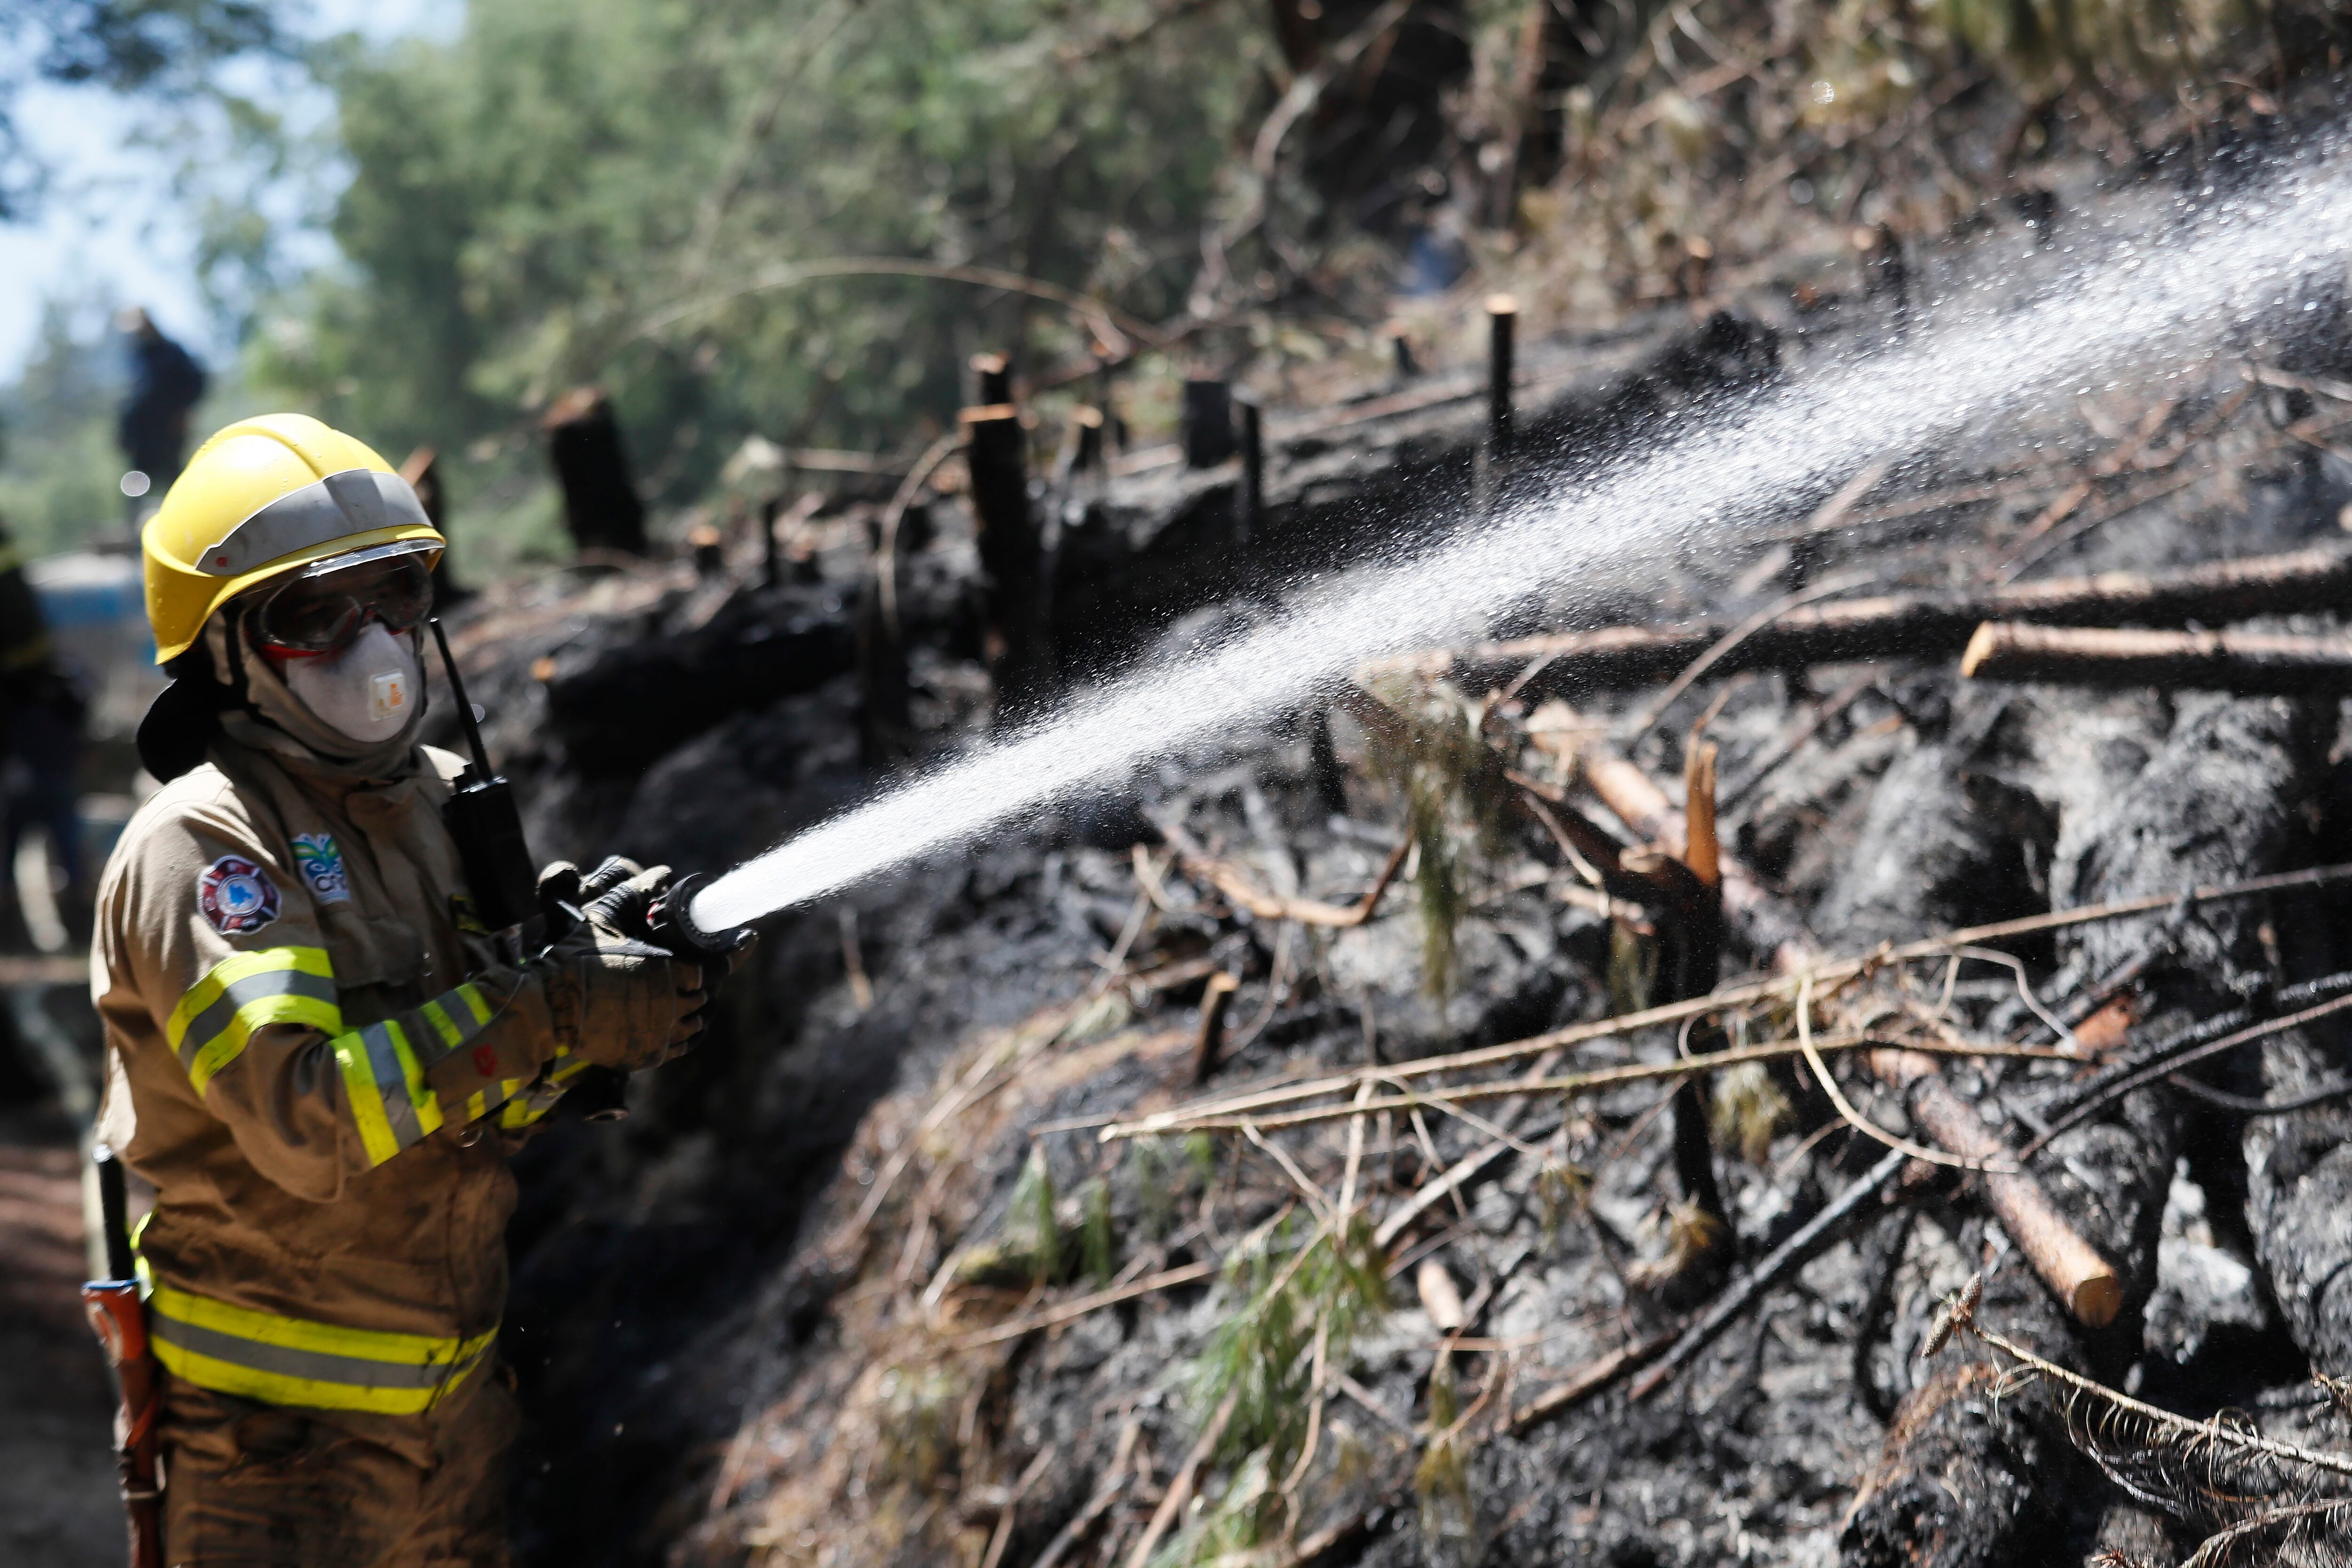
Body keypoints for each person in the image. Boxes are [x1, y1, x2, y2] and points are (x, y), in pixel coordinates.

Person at [90, 413, 719, 1565]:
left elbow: (474, 1099)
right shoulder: (207, 848)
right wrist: (553, 1009)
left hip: (456, 1426)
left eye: (391, 595)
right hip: (275, 1461)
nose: (369, 643)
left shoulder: (439, 802)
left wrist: (602, 994)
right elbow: (312, 1122)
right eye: (312, 613)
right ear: (223, 647)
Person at [0, 513, 88, 942]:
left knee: (27, 821)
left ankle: (31, 922)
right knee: (54, 822)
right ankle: (74, 916)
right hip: (41, 722)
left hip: (27, 722)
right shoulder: (15, 570)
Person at [116, 307, 209, 507]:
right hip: (141, 437)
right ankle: (137, 528)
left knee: (176, 484)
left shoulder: (172, 353)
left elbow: (197, 382)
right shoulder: (137, 356)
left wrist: (183, 413)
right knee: (136, 485)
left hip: (168, 432)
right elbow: (134, 397)